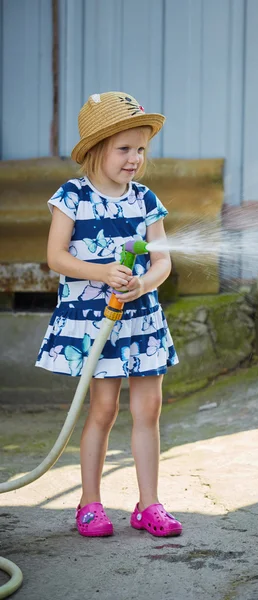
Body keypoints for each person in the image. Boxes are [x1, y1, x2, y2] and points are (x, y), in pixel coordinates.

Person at [36, 91, 182, 538]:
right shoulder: (73, 197)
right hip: (96, 322)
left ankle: (149, 504)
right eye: (124, 149)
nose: (134, 158)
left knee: (149, 408)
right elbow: (56, 257)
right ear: (96, 150)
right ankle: (90, 503)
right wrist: (101, 273)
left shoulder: (144, 199)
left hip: (141, 321)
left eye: (140, 149)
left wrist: (144, 283)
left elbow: (163, 262)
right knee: (103, 409)